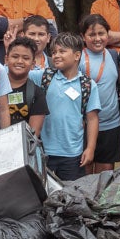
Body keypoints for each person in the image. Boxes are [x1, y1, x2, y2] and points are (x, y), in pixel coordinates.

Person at [30, 34, 101, 181]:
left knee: (71, 195)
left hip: (72, 153)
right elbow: (18, 74)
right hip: (44, 151)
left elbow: (92, 119)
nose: (56, 55)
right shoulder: (44, 77)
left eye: (62, 51)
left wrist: (90, 149)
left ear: (76, 56)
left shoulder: (87, 85)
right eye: (54, 52)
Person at [79, 15, 120, 171]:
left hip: (111, 123)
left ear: (108, 34)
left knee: (105, 177)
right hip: (84, 126)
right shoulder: (78, 58)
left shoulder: (113, 55)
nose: (97, 38)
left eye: (101, 34)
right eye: (91, 35)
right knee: (85, 173)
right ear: (83, 37)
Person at [3, 36, 48, 135]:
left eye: (26, 58)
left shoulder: (37, 94)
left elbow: (34, 134)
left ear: (33, 64)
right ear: (6, 59)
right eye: (15, 57)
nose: (19, 61)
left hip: (23, 147)